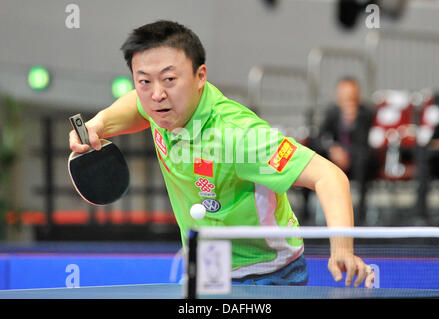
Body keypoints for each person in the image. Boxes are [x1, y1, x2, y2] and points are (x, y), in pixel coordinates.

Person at [69, 20, 372, 287]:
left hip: (266, 274)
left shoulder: (237, 137)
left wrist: (342, 249)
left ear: (200, 76)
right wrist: (99, 124)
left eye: (169, 79)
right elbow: (136, 104)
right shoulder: (159, 107)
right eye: (144, 80)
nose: (156, 93)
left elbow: (328, 176)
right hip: (206, 270)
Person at [313, 77, 376, 225]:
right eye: (344, 95)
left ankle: (360, 215)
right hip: (334, 161)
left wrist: (352, 122)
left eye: (352, 95)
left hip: (358, 162)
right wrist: (333, 148)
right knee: (314, 158)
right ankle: (306, 215)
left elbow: (366, 143)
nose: (348, 100)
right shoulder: (332, 113)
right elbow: (319, 138)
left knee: (363, 160)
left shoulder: (366, 113)